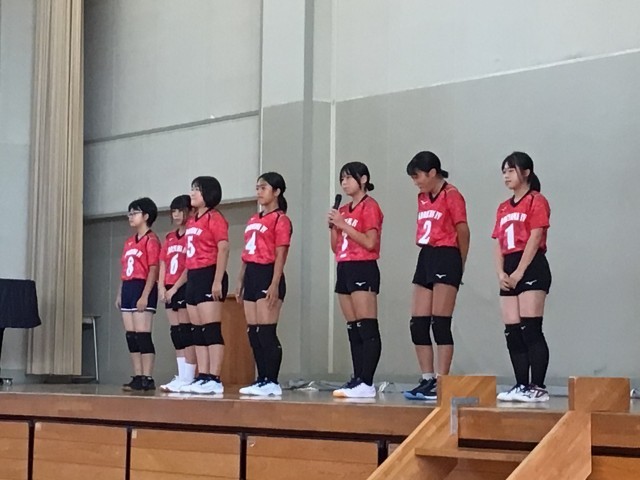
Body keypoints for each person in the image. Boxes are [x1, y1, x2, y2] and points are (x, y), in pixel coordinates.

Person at [403, 152, 470, 401]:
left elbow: (463, 231)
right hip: (427, 255)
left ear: (432, 173)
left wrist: (459, 264)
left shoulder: (452, 195)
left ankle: (443, 381)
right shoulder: (422, 197)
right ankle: (427, 378)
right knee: (418, 324)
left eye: (418, 176)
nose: (416, 182)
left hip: (447, 255)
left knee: (440, 322)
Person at [493, 152, 551, 403]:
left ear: (525, 173)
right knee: (512, 331)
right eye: (504, 171)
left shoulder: (536, 200)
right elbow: (498, 243)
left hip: (531, 266)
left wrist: (519, 272)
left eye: (511, 170)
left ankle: (538, 386)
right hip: (509, 265)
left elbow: (535, 237)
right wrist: (501, 273)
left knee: (530, 328)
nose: (506, 176)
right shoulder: (503, 207)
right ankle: (521, 384)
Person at [328, 162, 384, 399]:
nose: (344, 183)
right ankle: (357, 377)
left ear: (363, 179)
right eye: (342, 179)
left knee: (367, 325)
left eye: (349, 178)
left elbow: (370, 242)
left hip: (363, 267)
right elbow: (336, 247)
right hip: (344, 267)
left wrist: (343, 225)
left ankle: (367, 381)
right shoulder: (344, 210)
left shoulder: (370, 206)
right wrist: (334, 228)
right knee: (353, 328)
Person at [236, 172, 292, 396]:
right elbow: (246, 253)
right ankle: (261, 379)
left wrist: (274, 283)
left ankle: (272, 380)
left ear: (276, 191)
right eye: (257, 187)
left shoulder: (281, 220)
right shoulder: (253, 219)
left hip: (267, 273)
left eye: (264, 188)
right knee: (254, 332)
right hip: (251, 274)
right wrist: (240, 280)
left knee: (267, 331)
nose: (259, 192)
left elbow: (281, 254)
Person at [180, 177, 229, 395]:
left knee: (211, 329)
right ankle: (203, 375)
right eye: (192, 189)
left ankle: (214, 378)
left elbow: (223, 248)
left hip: (209, 273)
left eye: (197, 190)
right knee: (197, 330)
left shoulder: (215, 218)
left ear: (208, 193)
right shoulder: (192, 221)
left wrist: (217, 280)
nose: (192, 193)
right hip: (194, 275)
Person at [117, 197, 161, 391]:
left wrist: (145, 295)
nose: (130, 216)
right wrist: (120, 293)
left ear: (146, 216)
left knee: (143, 335)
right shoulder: (129, 242)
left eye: (134, 213)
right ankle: (137, 375)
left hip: (142, 286)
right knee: (131, 336)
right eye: (130, 213)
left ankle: (147, 377)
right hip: (128, 286)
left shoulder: (151, 240)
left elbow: (153, 269)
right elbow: (124, 269)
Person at [159, 195, 196, 392]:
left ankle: (189, 376)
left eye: (181, 210)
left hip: (182, 286)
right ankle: (181, 375)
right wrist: (161, 287)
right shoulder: (170, 237)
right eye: (174, 211)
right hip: (168, 285)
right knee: (176, 333)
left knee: (186, 330)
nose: (176, 215)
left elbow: (190, 265)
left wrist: (175, 288)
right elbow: (163, 262)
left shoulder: (192, 234)